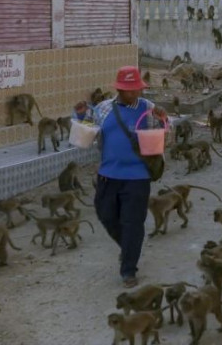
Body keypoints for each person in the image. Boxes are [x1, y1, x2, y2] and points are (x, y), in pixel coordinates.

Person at [92, 66, 166, 288]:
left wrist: (163, 119)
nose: (135, 93)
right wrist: (78, 115)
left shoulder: (148, 108)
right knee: (106, 216)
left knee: (133, 223)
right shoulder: (103, 108)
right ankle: (127, 249)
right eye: (129, 89)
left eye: (137, 89)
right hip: (108, 174)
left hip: (137, 176)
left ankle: (128, 269)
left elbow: (163, 134)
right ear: (119, 89)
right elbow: (89, 128)